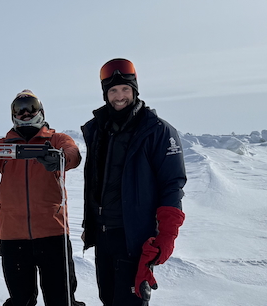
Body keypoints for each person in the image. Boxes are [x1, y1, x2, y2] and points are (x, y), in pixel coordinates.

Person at [80, 58, 187, 305]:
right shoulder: (99, 129)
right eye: (113, 90)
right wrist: (91, 224)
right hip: (104, 238)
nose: (120, 96)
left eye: (125, 89)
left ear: (135, 90)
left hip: (134, 239)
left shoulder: (157, 130)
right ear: (105, 94)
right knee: (108, 299)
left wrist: (165, 238)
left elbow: (172, 186)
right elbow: (97, 182)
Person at [0, 90, 85, 306]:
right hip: (14, 237)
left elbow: (73, 154)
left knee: (62, 300)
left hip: (53, 234)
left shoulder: (56, 140)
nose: (25, 113)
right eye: (19, 109)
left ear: (40, 110)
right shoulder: (5, 145)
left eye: (30, 106)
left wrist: (59, 157)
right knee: (21, 300)